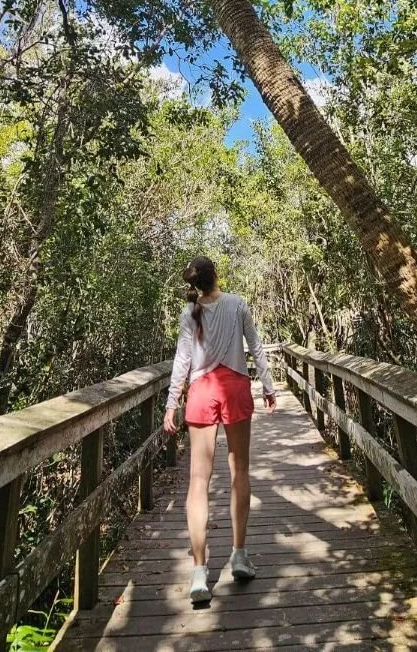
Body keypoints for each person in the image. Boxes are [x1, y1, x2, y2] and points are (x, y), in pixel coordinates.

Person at [163, 256, 277, 603]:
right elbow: (255, 346)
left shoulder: (189, 313)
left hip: (201, 392)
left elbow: (183, 360)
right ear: (217, 277)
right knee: (239, 471)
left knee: (199, 480)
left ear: (195, 284)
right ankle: (239, 554)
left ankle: (199, 571)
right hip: (236, 388)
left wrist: (172, 403)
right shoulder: (237, 304)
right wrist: (268, 385)